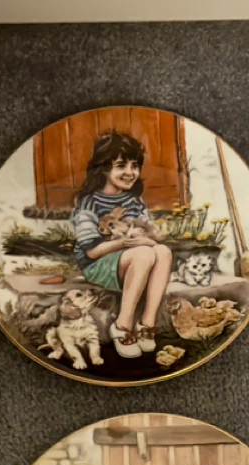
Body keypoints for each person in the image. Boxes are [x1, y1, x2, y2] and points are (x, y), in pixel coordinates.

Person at [69, 131, 175, 360]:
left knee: (163, 251)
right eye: (121, 165)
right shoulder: (89, 202)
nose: (130, 172)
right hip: (98, 264)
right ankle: (122, 326)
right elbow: (92, 251)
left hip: (131, 260)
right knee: (144, 253)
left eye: (134, 165)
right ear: (103, 169)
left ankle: (147, 323)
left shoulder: (134, 202)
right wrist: (125, 243)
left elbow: (152, 236)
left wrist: (149, 239)